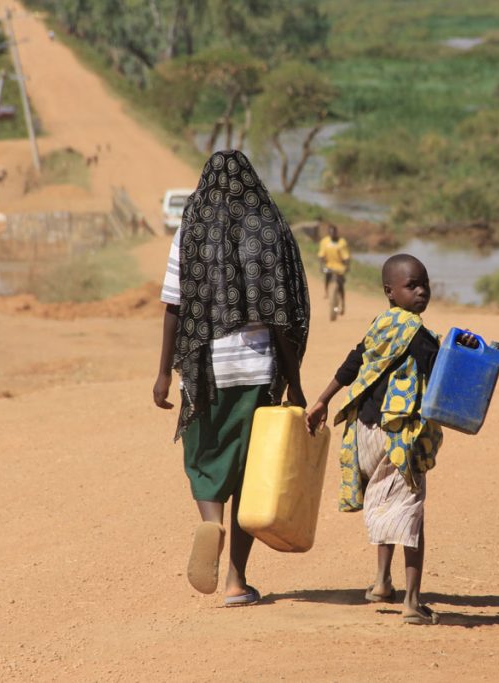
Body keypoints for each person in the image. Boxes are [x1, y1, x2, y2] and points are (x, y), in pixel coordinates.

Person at [153, 150, 310, 607]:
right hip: (257, 367)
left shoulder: (190, 230)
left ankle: (211, 522)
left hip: (205, 367)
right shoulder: (268, 228)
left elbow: (173, 306)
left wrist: (164, 372)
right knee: (249, 470)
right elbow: (282, 313)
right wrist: (294, 379)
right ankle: (236, 582)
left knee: (205, 454)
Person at [306, 254, 474, 626]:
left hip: (364, 433)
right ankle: (412, 601)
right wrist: (455, 348)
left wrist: (322, 400)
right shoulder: (415, 332)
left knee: (383, 504)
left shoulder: (380, 324)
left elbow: (352, 364)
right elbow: (443, 372)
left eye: (425, 284)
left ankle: (382, 582)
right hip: (397, 438)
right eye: (412, 285)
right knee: (410, 513)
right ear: (390, 291)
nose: (421, 291)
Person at [317, 224, 350, 313]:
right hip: (329, 265)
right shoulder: (324, 242)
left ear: (336, 233)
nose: (332, 234)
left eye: (334, 232)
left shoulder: (341, 242)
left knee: (340, 285)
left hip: (339, 266)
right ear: (329, 233)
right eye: (331, 232)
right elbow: (321, 255)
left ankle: (342, 303)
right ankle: (327, 291)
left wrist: (347, 267)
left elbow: (346, 257)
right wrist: (321, 266)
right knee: (327, 276)